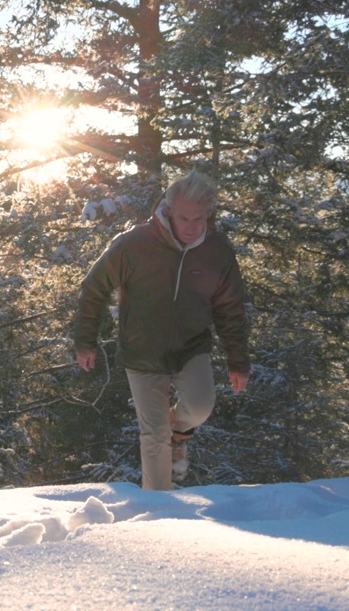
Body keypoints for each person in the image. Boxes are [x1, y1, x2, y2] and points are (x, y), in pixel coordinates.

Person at [72, 171, 251, 490]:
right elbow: (94, 288)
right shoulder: (134, 244)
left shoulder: (218, 251)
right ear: (169, 209)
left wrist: (237, 362)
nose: (191, 226)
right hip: (142, 352)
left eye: (199, 218)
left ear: (208, 214)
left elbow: (230, 309)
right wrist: (86, 341)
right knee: (153, 436)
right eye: (184, 217)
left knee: (199, 407)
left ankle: (179, 433)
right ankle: (158, 517)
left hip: (191, 347)